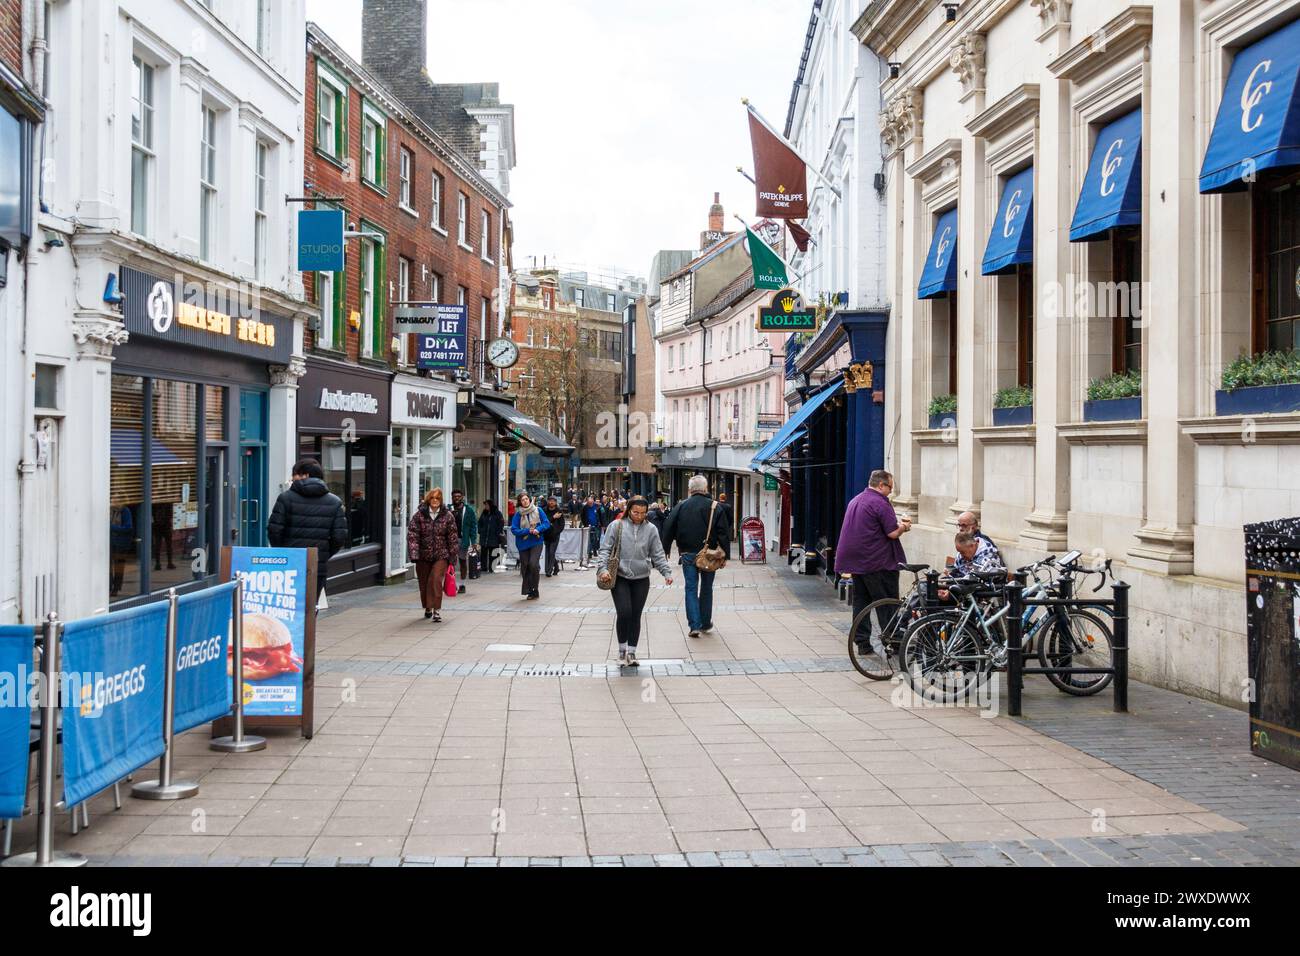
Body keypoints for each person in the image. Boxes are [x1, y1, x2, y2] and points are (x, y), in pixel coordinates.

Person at [834, 469, 912, 659]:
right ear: (881, 485)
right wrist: (904, 527)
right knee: (886, 602)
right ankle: (893, 641)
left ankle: (862, 643)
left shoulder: (856, 500)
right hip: (878, 562)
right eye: (890, 488)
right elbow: (892, 533)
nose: (890, 492)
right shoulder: (879, 502)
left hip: (857, 563)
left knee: (862, 602)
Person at [597, 497, 674, 666]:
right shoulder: (616, 526)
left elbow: (657, 553)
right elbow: (604, 550)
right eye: (635, 512)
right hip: (620, 576)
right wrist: (602, 569)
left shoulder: (651, 529)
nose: (639, 516)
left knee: (636, 615)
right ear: (629, 510)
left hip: (641, 578)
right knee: (624, 612)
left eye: (642, 513)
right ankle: (621, 650)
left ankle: (632, 653)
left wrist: (666, 572)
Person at [267, 459, 349, 603]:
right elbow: (339, 537)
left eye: (295, 474)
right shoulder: (335, 502)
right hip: (317, 563)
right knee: (311, 605)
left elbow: (274, 530)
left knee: (287, 604)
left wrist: (283, 552)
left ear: (305, 475)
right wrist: (323, 554)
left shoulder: (286, 498)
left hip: (289, 562)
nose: (293, 478)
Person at [662, 474, 732, 639]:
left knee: (691, 588)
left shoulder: (681, 506)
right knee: (707, 588)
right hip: (709, 554)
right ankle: (705, 623)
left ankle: (694, 625)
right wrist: (725, 556)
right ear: (706, 489)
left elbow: (668, 527)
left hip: (687, 553)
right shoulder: (715, 507)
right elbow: (723, 532)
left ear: (690, 490)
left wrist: (665, 549)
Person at [407, 488, 460, 622]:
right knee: (424, 583)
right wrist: (414, 553)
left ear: (441, 500)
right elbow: (413, 535)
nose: (435, 501)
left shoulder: (447, 516)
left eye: (437, 498)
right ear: (428, 500)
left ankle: (436, 610)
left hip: (441, 555)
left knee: (435, 580)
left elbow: (452, 537)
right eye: (432, 498)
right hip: (423, 556)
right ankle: (428, 607)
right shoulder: (419, 515)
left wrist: (453, 556)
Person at [510, 491, 550, 600]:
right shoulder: (518, 514)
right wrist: (527, 531)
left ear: (530, 499)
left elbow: (546, 523)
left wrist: (538, 529)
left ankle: (535, 589)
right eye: (522, 500)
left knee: (533, 564)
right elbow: (514, 530)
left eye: (526, 499)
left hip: (536, 542)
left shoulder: (538, 510)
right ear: (520, 502)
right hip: (523, 544)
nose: (525, 501)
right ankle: (529, 590)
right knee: (526, 566)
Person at [449, 489, 478, 593]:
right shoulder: (448, 509)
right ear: (452, 497)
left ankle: (462, 584)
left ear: (462, 497)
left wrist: (473, 541)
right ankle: (451, 584)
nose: (456, 498)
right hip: (450, 541)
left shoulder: (468, 510)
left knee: (462, 561)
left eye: (458, 496)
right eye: (454, 496)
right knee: (450, 563)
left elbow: (473, 527)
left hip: (463, 540)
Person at [478, 500, 506, 574]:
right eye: (485, 505)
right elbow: (480, 522)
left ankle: (492, 568)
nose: (485, 506)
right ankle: (483, 567)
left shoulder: (497, 513)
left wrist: (497, 533)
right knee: (483, 553)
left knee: (493, 553)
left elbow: (501, 523)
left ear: (491, 505)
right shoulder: (484, 513)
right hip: (484, 537)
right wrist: (480, 530)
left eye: (487, 505)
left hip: (493, 537)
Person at [543, 495, 565, 576]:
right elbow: (545, 522)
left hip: (555, 536)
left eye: (553, 501)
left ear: (556, 502)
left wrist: (557, 532)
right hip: (546, 534)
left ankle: (548, 571)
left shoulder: (559, 511)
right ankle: (556, 567)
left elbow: (562, 524)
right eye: (550, 500)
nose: (551, 502)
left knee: (551, 552)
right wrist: (553, 517)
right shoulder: (544, 510)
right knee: (548, 553)